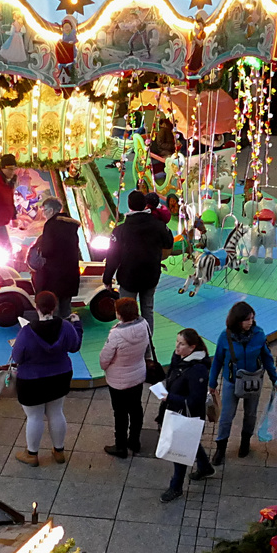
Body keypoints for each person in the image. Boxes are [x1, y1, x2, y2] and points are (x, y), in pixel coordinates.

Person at [10, 290, 84, 466]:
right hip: (60, 375)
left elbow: (17, 357)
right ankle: (59, 452)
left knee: (34, 417)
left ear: (36, 307)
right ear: (55, 307)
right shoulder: (66, 327)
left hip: (32, 380)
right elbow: (74, 346)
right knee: (56, 412)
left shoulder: (27, 332)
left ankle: (32, 454)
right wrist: (78, 326)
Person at [209, 301, 277, 465]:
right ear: (237, 320)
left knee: (250, 414)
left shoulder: (259, 335)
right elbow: (217, 361)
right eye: (247, 319)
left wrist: (274, 378)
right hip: (231, 382)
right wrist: (212, 383)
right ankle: (221, 448)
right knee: (226, 416)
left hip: (253, 381)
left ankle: (245, 442)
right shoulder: (225, 337)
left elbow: (267, 358)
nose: (251, 322)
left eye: (252, 318)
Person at [102, 190, 173, 335]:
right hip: (151, 275)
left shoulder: (120, 230)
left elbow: (113, 256)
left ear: (129, 206)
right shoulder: (158, 226)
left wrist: (107, 278)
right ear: (145, 205)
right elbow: (169, 242)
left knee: (127, 313)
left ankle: (130, 347)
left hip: (128, 277)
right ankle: (147, 349)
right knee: (148, 310)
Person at [160, 328, 215, 501]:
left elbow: (195, 400)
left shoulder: (197, 370)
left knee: (180, 451)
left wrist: (170, 397)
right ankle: (205, 467)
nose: (177, 347)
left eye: (181, 344)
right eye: (177, 342)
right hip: (176, 411)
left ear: (192, 347)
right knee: (192, 442)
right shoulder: (180, 358)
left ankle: (176, 487)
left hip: (187, 415)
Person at [99, 297, 150, 458]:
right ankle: (134, 441)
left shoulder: (116, 334)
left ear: (119, 314)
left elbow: (104, 360)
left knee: (120, 413)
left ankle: (120, 446)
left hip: (118, 381)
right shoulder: (144, 325)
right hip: (138, 375)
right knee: (136, 409)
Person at [29, 196, 82, 317]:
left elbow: (47, 250)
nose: (43, 214)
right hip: (70, 273)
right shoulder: (71, 225)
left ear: (51, 211)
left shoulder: (51, 225)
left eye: (44, 210)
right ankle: (68, 332)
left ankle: (57, 332)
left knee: (54, 308)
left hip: (54, 274)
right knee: (66, 308)